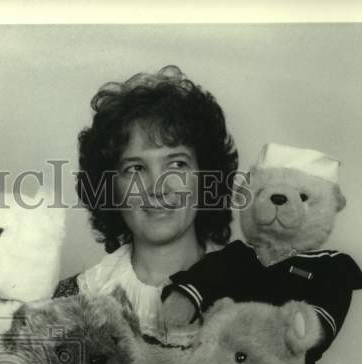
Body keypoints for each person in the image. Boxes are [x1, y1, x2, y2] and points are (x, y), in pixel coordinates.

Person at [56, 65, 238, 344]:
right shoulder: (70, 300)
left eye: (176, 164)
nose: (157, 187)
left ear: (206, 178)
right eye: (135, 168)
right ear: (110, 188)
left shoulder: (255, 296)